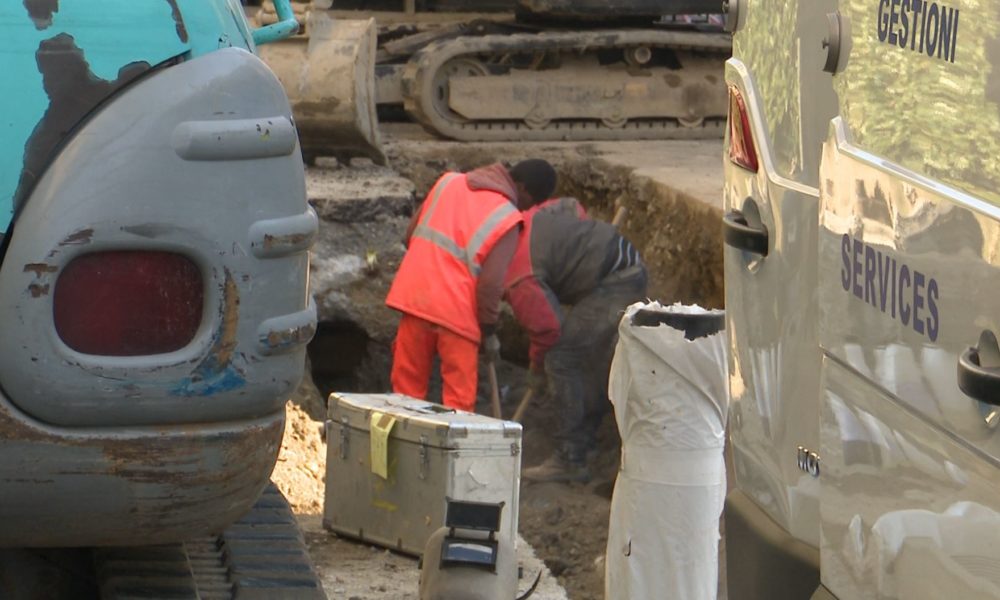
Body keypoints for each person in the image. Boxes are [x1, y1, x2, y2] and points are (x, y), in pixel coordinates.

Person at [506, 162, 648, 482]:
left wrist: (536, 371)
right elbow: (569, 207)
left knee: (564, 358)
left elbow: (547, 331)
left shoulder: (517, 276)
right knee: (587, 356)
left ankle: (570, 459)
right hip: (616, 267)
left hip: (617, 281)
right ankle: (589, 440)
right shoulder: (527, 220)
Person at [386, 161, 551, 412]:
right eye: (532, 202)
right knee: (459, 406)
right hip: (456, 313)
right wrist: (489, 329)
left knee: (404, 395)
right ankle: (453, 452)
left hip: (415, 297)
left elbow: (411, 234)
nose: (528, 208)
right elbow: (490, 285)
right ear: (523, 189)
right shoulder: (506, 217)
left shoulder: (447, 182)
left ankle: (400, 450)